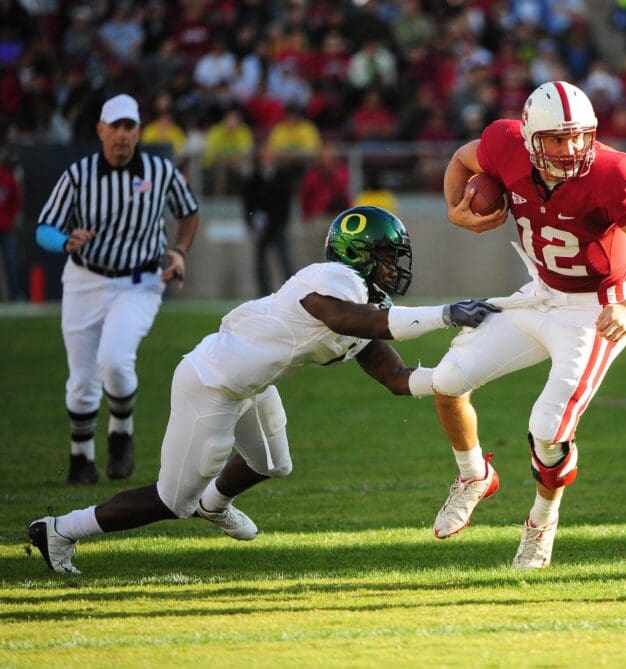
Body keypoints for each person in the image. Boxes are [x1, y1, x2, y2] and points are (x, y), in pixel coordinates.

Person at [27, 206, 501, 574]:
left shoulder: (366, 303)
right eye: (385, 256)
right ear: (360, 255)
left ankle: (216, 504)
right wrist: (444, 313)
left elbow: (396, 378)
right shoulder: (331, 281)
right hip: (211, 382)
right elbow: (346, 319)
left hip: (252, 385)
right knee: (174, 501)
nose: (394, 267)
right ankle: (61, 530)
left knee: (273, 462)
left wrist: (451, 378)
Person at [427, 81, 626, 569]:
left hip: (595, 308)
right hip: (540, 294)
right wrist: (455, 212)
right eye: (556, 140)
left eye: (579, 137)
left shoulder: (613, 174)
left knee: (548, 429)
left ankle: (542, 522)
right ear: (528, 137)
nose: (570, 150)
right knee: (447, 381)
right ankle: (474, 475)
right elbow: (463, 160)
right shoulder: (505, 145)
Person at [35, 94, 199, 486]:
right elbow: (44, 229)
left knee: (114, 361)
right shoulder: (78, 174)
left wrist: (178, 251)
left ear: (138, 132)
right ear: (101, 131)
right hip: (84, 280)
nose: (123, 136)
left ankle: (121, 430)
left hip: (139, 281)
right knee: (81, 380)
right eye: (116, 127)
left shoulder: (160, 171)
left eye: (130, 128)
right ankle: (81, 458)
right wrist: (65, 242)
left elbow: (189, 211)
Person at [242, 145, 294, 295]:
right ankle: (263, 294)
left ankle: (290, 294)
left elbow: (286, 202)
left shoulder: (282, 176)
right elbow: (248, 203)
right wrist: (252, 221)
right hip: (261, 227)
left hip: (278, 225)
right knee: (260, 264)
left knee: (285, 261)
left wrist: (281, 222)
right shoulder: (253, 177)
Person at [0, 151, 24, 301]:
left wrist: (14, 217)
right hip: (7, 226)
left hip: (7, 227)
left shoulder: (8, 178)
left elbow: (17, 200)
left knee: (12, 262)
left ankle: (15, 294)